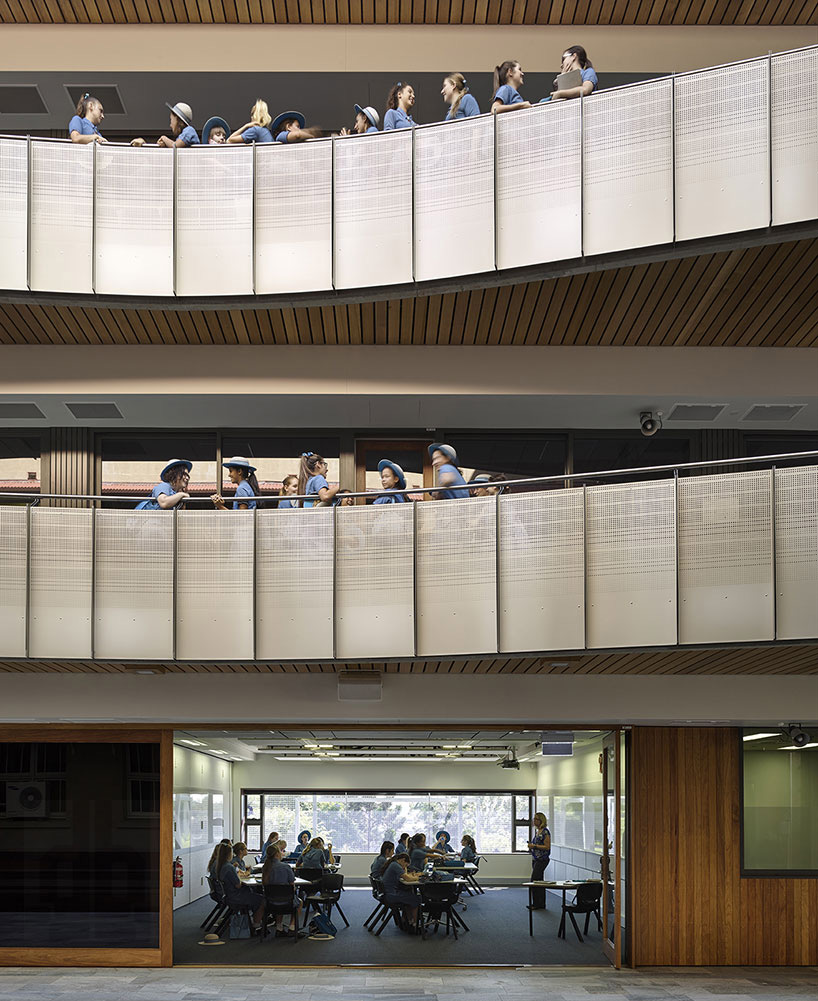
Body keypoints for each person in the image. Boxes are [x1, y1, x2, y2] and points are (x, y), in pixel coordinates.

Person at [215, 842, 264, 930]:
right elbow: (238, 885)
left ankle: (255, 920)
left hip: (229, 895)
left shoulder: (222, 866)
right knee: (262, 899)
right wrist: (239, 875)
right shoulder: (229, 867)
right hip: (236, 896)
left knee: (254, 893)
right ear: (228, 854)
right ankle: (256, 924)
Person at [261, 845, 302, 935]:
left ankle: (279, 928)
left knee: (278, 897)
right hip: (287, 902)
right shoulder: (286, 867)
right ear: (277, 854)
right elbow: (292, 885)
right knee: (299, 902)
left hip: (270, 902)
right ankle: (292, 928)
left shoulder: (265, 867)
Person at [381, 852, 419, 928]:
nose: (404, 867)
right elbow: (407, 878)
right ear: (402, 860)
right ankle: (415, 924)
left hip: (387, 893)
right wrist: (417, 878)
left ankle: (408, 920)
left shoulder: (393, 864)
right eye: (405, 865)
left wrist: (404, 868)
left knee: (408, 894)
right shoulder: (395, 865)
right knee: (416, 899)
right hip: (391, 895)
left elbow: (404, 875)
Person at [527, 811, 551, 909]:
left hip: (542, 860)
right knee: (539, 881)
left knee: (535, 881)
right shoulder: (538, 831)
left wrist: (534, 846)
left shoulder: (545, 832)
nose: (534, 821)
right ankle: (540, 904)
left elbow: (547, 846)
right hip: (536, 859)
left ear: (541, 820)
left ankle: (537, 903)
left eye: (536, 819)